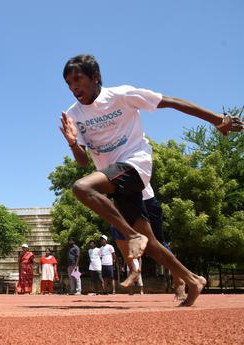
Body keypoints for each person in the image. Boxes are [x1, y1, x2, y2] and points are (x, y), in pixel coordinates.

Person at [59, 54, 242, 305]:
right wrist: (72, 143)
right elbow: (82, 161)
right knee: (153, 244)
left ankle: (132, 236)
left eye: (78, 79)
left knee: (81, 187)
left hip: (135, 164)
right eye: (68, 83)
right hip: (116, 180)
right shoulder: (74, 114)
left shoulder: (121, 95)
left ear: (96, 77)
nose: (73, 87)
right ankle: (192, 279)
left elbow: (171, 102)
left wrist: (217, 120)